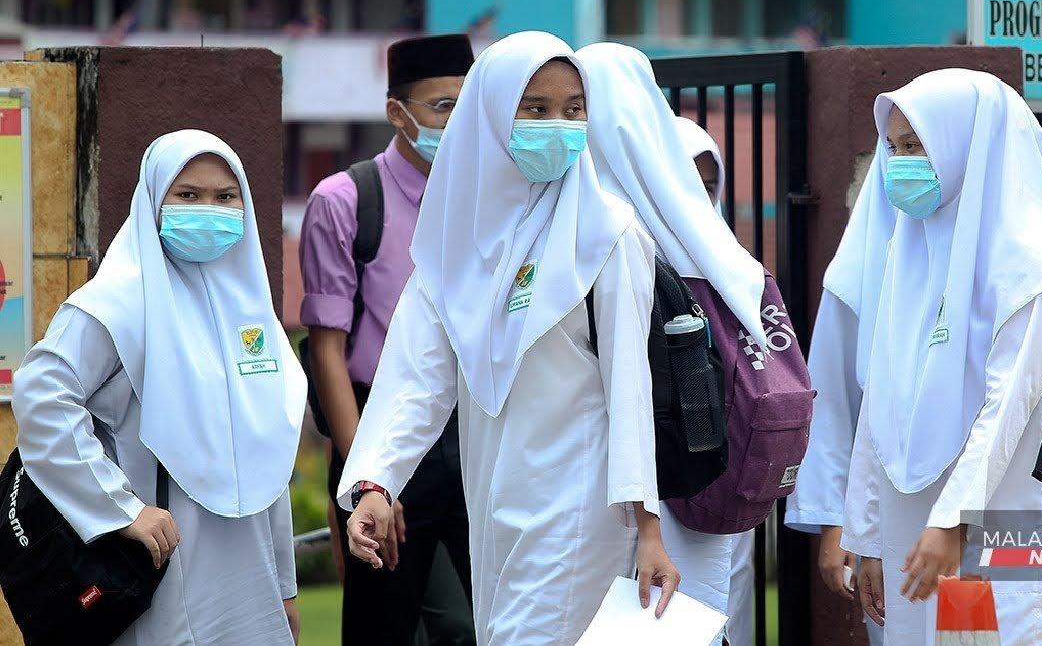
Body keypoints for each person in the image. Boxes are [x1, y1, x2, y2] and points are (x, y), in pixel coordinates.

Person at [337, 31, 680, 646]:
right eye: (536, 109)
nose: (558, 127)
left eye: (573, 109)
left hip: (580, 502)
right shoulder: (452, 247)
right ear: (490, 114)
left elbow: (631, 387)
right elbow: (417, 380)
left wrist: (648, 528)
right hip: (493, 501)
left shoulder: (608, 235)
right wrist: (375, 483)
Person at [799, 69, 1042, 644]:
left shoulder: (1035, 266)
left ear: (967, 147)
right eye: (893, 148)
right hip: (918, 529)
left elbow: (1007, 406)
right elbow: (881, 399)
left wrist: (952, 519)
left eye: (915, 146)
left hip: (1016, 525)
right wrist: (868, 535)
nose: (899, 165)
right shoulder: (909, 254)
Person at [14, 130, 306, 645]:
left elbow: (268, 455)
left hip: (250, 587)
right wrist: (120, 510)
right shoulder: (117, 303)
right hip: (163, 567)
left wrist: (283, 586)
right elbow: (42, 396)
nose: (208, 210)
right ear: (153, 199)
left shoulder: (250, 313)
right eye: (188, 195)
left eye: (225, 197)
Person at [578, 44, 801, 646]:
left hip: (665, 484)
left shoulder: (607, 235)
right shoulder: (718, 253)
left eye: (576, 109)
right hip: (694, 478)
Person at [299, 34, 475, 645]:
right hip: (380, 427)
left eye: (468, 105)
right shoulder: (346, 200)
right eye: (443, 107)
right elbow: (327, 350)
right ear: (398, 113)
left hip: (474, 431)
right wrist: (368, 475)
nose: (458, 122)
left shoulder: (488, 198)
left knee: (488, 622)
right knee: (382, 626)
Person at [672, 116, 752, 646]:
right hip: (653, 489)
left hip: (722, 483)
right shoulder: (617, 257)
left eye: (707, 188)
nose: (696, 202)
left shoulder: (737, 271)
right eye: (683, 184)